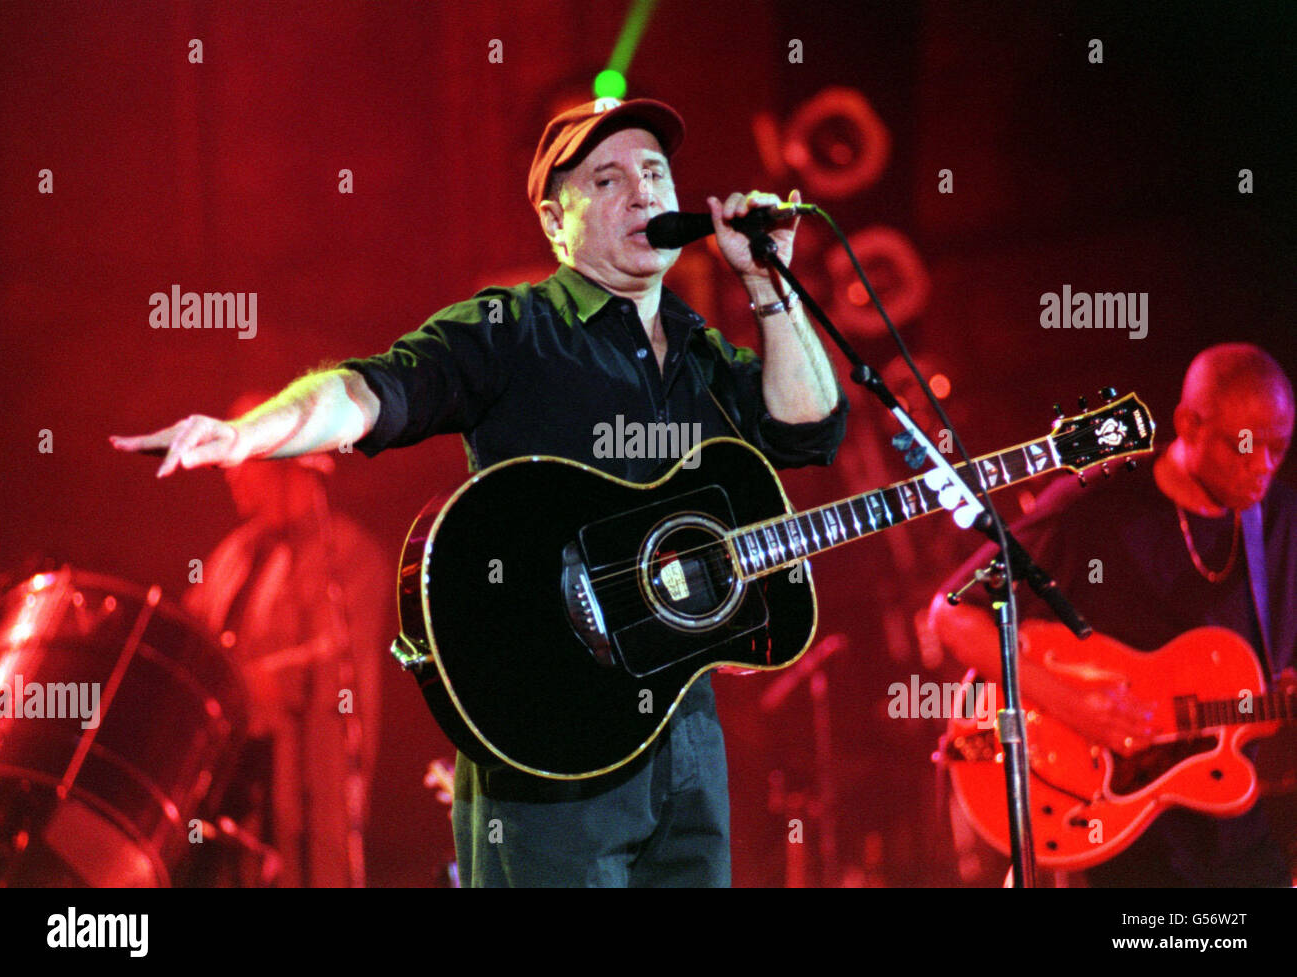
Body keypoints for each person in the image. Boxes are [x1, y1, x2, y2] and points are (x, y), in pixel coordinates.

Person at [112, 96, 848, 887]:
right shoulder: (513, 328)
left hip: (686, 737)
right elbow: (377, 392)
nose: (641, 192)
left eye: (654, 172)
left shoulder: (701, 349)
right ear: (553, 221)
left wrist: (766, 280)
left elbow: (809, 431)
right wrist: (251, 434)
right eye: (606, 179)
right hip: (547, 742)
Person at [929, 343, 1296, 886]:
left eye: (1277, 448)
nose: (1261, 467)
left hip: (1229, 828)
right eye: (1242, 446)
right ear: (1189, 425)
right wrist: (1076, 705)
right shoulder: (1096, 506)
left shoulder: (1281, 521)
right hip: (1109, 823)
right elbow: (952, 615)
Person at [180, 393, 388, 887]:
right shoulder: (231, 556)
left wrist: (240, 685)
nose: (226, 473)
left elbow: (332, 665)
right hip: (227, 801)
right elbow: (187, 651)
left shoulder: (351, 557)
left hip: (306, 809)